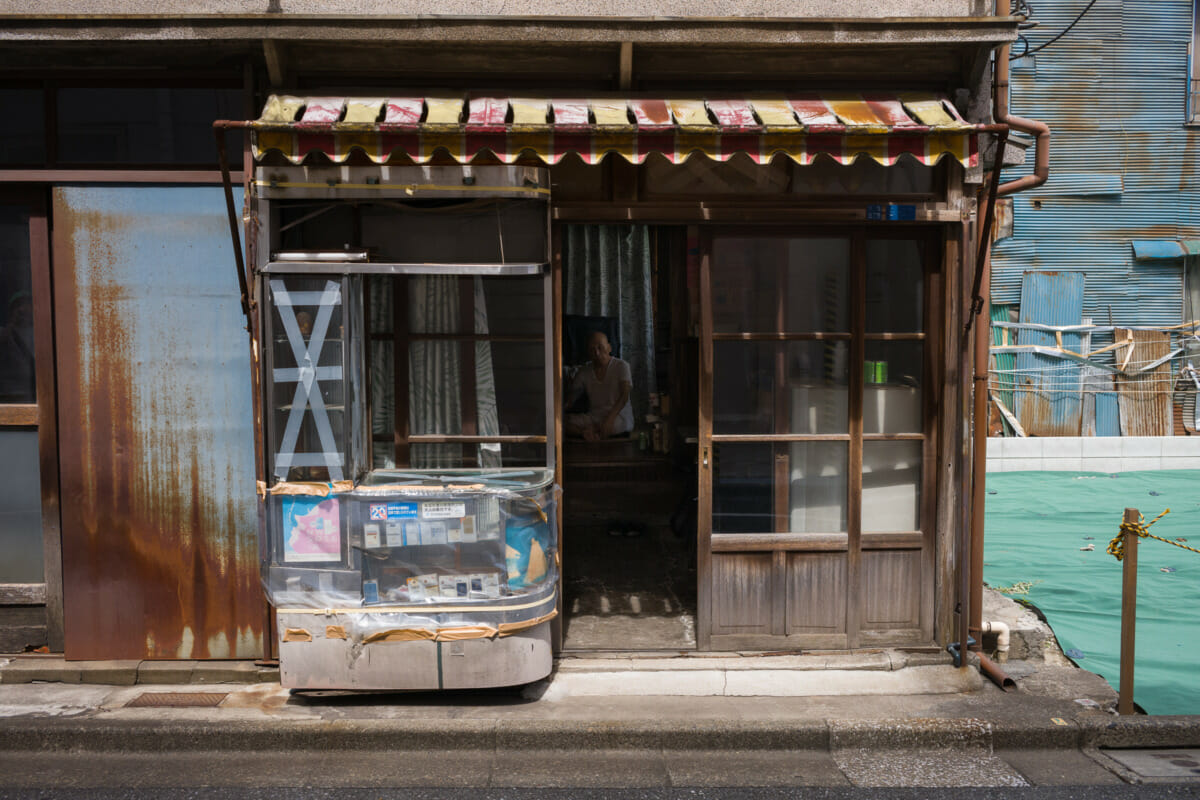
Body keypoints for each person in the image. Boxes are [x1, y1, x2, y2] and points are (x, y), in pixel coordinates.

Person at [566, 331, 633, 442]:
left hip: (617, 416)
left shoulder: (622, 366)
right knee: (561, 422)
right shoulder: (584, 371)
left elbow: (624, 396)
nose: (597, 353)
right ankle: (587, 433)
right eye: (592, 350)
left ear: (609, 348)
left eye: (600, 348)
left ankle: (592, 432)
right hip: (595, 417)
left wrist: (609, 420)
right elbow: (571, 399)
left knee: (617, 426)